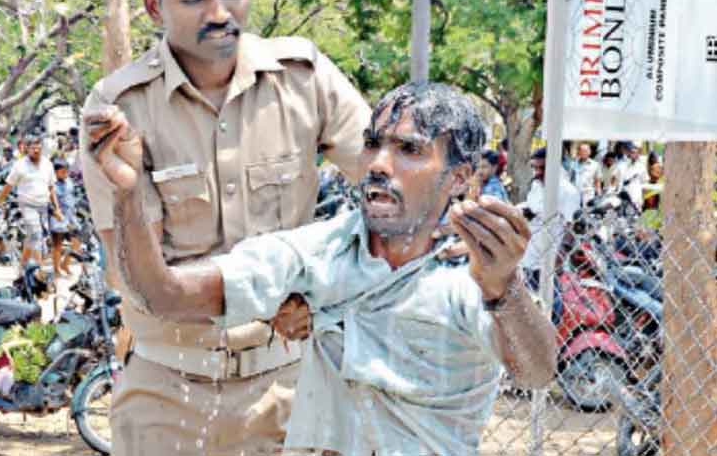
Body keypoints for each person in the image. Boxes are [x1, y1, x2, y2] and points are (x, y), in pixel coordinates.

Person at [100, 82, 557, 455]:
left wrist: (505, 288)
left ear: (459, 176)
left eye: (409, 150)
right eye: (373, 144)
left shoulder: (471, 271)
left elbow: (537, 371)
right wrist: (127, 193)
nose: (378, 164)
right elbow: (164, 295)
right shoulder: (322, 252)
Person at [79, 0, 373, 455]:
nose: (220, 14)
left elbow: (393, 195)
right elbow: (133, 272)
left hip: (291, 388)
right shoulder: (119, 109)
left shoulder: (304, 77)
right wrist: (260, 294)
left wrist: (329, 290)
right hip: (167, 394)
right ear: (152, 6)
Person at [0, 134, 63, 270]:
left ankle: (22, 268)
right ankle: (40, 272)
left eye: (38, 147)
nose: (36, 151)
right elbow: (7, 188)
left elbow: (51, 187)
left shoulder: (47, 164)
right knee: (36, 234)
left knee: (31, 239)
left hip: (43, 206)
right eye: (32, 148)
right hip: (27, 205)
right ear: (26, 149)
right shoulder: (19, 165)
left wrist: (56, 208)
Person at [519, 147, 581, 304]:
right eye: (534, 167)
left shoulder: (568, 191)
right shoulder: (537, 185)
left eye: (542, 168)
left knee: (551, 305)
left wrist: (559, 258)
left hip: (549, 260)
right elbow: (534, 209)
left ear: (555, 166)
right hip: (529, 255)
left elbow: (571, 228)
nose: (537, 172)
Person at [50, 159, 81, 277]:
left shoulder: (69, 182)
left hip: (71, 216)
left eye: (66, 171)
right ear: (55, 172)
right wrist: (55, 213)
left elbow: (72, 195)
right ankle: (56, 269)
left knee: (77, 241)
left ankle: (65, 263)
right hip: (57, 217)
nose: (65, 173)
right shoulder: (51, 184)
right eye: (62, 171)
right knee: (58, 244)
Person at [616, 142, 648, 211]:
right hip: (623, 198)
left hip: (636, 199)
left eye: (636, 153)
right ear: (629, 153)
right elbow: (616, 181)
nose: (634, 154)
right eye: (632, 152)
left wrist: (643, 198)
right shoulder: (621, 165)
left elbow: (644, 184)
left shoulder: (641, 167)